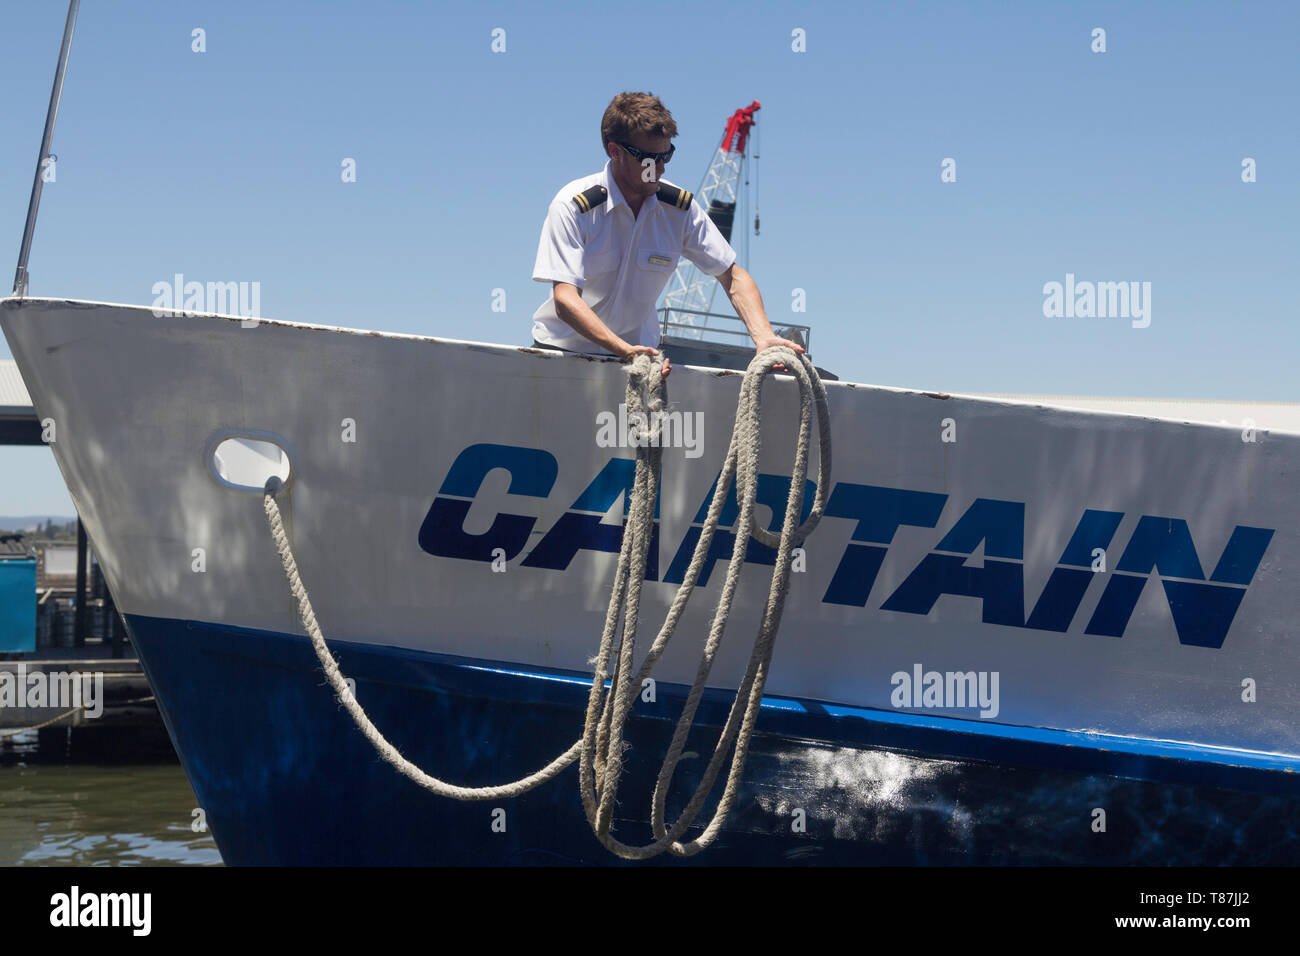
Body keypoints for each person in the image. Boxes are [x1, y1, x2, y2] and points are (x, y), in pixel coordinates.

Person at [530, 91, 805, 378]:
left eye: (667, 155)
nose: (660, 168)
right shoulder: (575, 207)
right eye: (650, 159)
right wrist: (623, 350)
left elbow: (732, 276)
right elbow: (565, 299)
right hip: (561, 357)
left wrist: (763, 336)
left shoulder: (678, 210)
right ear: (615, 151)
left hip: (639, 361)